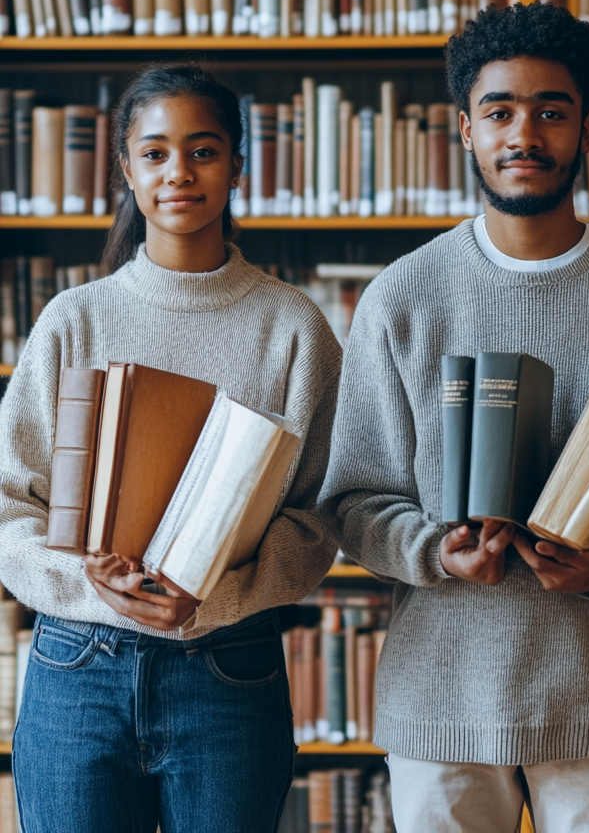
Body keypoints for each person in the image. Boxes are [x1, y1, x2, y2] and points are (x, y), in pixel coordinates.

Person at [318, 2, 589, 833]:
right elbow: (352, 500)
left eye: (550, 111)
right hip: (440, 702)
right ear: (466, 129)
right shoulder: (402, 296)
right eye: (500, 111)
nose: (524, 134)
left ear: (587, 131)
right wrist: (436, 550)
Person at [0, 65, 341, 833]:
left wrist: (210, 599)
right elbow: (5, 502)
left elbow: (319, 518)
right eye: (154, 154)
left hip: (227, 665)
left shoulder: (294, 328)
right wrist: (88, 586)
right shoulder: (73, 320)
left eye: (203, 151)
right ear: (125, 170)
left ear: (239, 166)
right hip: (77, 666)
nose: (178, 173)